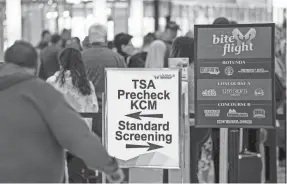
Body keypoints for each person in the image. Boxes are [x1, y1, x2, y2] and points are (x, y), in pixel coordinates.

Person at [0, 40, 124, 183]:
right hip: (35, 176)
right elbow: (77, 135)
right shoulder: (41, 92)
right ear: (36, 65)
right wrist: (109, 166)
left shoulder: (48, 85)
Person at [47, 47, 99, 182]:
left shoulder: (52, 82)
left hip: (57, 137)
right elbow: (94, 110)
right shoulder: (87, 84)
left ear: (61, 62)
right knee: (77, 173)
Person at [83, 24, 126, 136]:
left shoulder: (79, 57)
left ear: (89, 38)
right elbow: (125, 85)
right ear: (106, 38)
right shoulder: (117, 58)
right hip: (110, 111)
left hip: (85, 112)